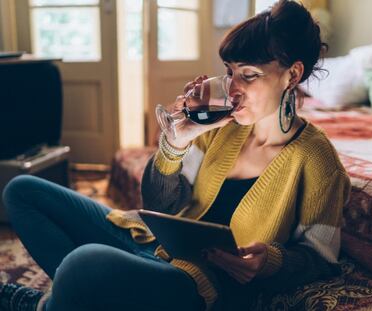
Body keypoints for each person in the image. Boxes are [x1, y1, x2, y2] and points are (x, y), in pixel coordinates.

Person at [1, 1, 351, 310]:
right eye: (229, 72)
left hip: (198, 284)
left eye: (249, 75)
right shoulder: (219, 128)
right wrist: (176, 143)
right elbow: (158, 205)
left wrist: (270, 262)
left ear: (292, 74)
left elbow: (319, 259)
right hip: (153, 246)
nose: (232, 89)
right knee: (23, 191)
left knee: (84, 262)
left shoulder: (317, 161)